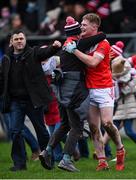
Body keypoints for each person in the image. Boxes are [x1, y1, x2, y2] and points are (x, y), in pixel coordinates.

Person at [39, 16, 106, 172]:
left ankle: (47, 151)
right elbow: (102, 36)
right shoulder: (78, 43)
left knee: (64, 124)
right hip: (74, 89)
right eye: (80, 27)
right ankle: (66, 160)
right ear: (76, 32)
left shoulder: (65, 44)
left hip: (62, 89)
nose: (82, 29)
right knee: (76, 127)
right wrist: (82, 36)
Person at [64, 13, 125, 171]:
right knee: (93, 127)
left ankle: (120, 149)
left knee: (107, 123)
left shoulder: (103, 43)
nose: (81, 27)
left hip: (104, 88)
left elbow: (93, 63)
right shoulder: (83, 41)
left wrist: (74, 51)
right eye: (81, 24)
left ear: (94, 27)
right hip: (89, 89)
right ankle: (102, 161)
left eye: (84, 24)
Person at [0, 29, 61, 171]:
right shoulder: (6, 59)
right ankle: (20, 164)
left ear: (25, 40)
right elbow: (2, 79)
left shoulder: (33, 53)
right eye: (16, 39)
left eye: (21, 38)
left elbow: (45, 53)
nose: (19, 41)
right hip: (15, 102)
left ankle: (48, 159)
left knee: (41, 131)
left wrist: (54, 47)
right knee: (15, 132)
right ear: (11, 42)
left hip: (33, 101)